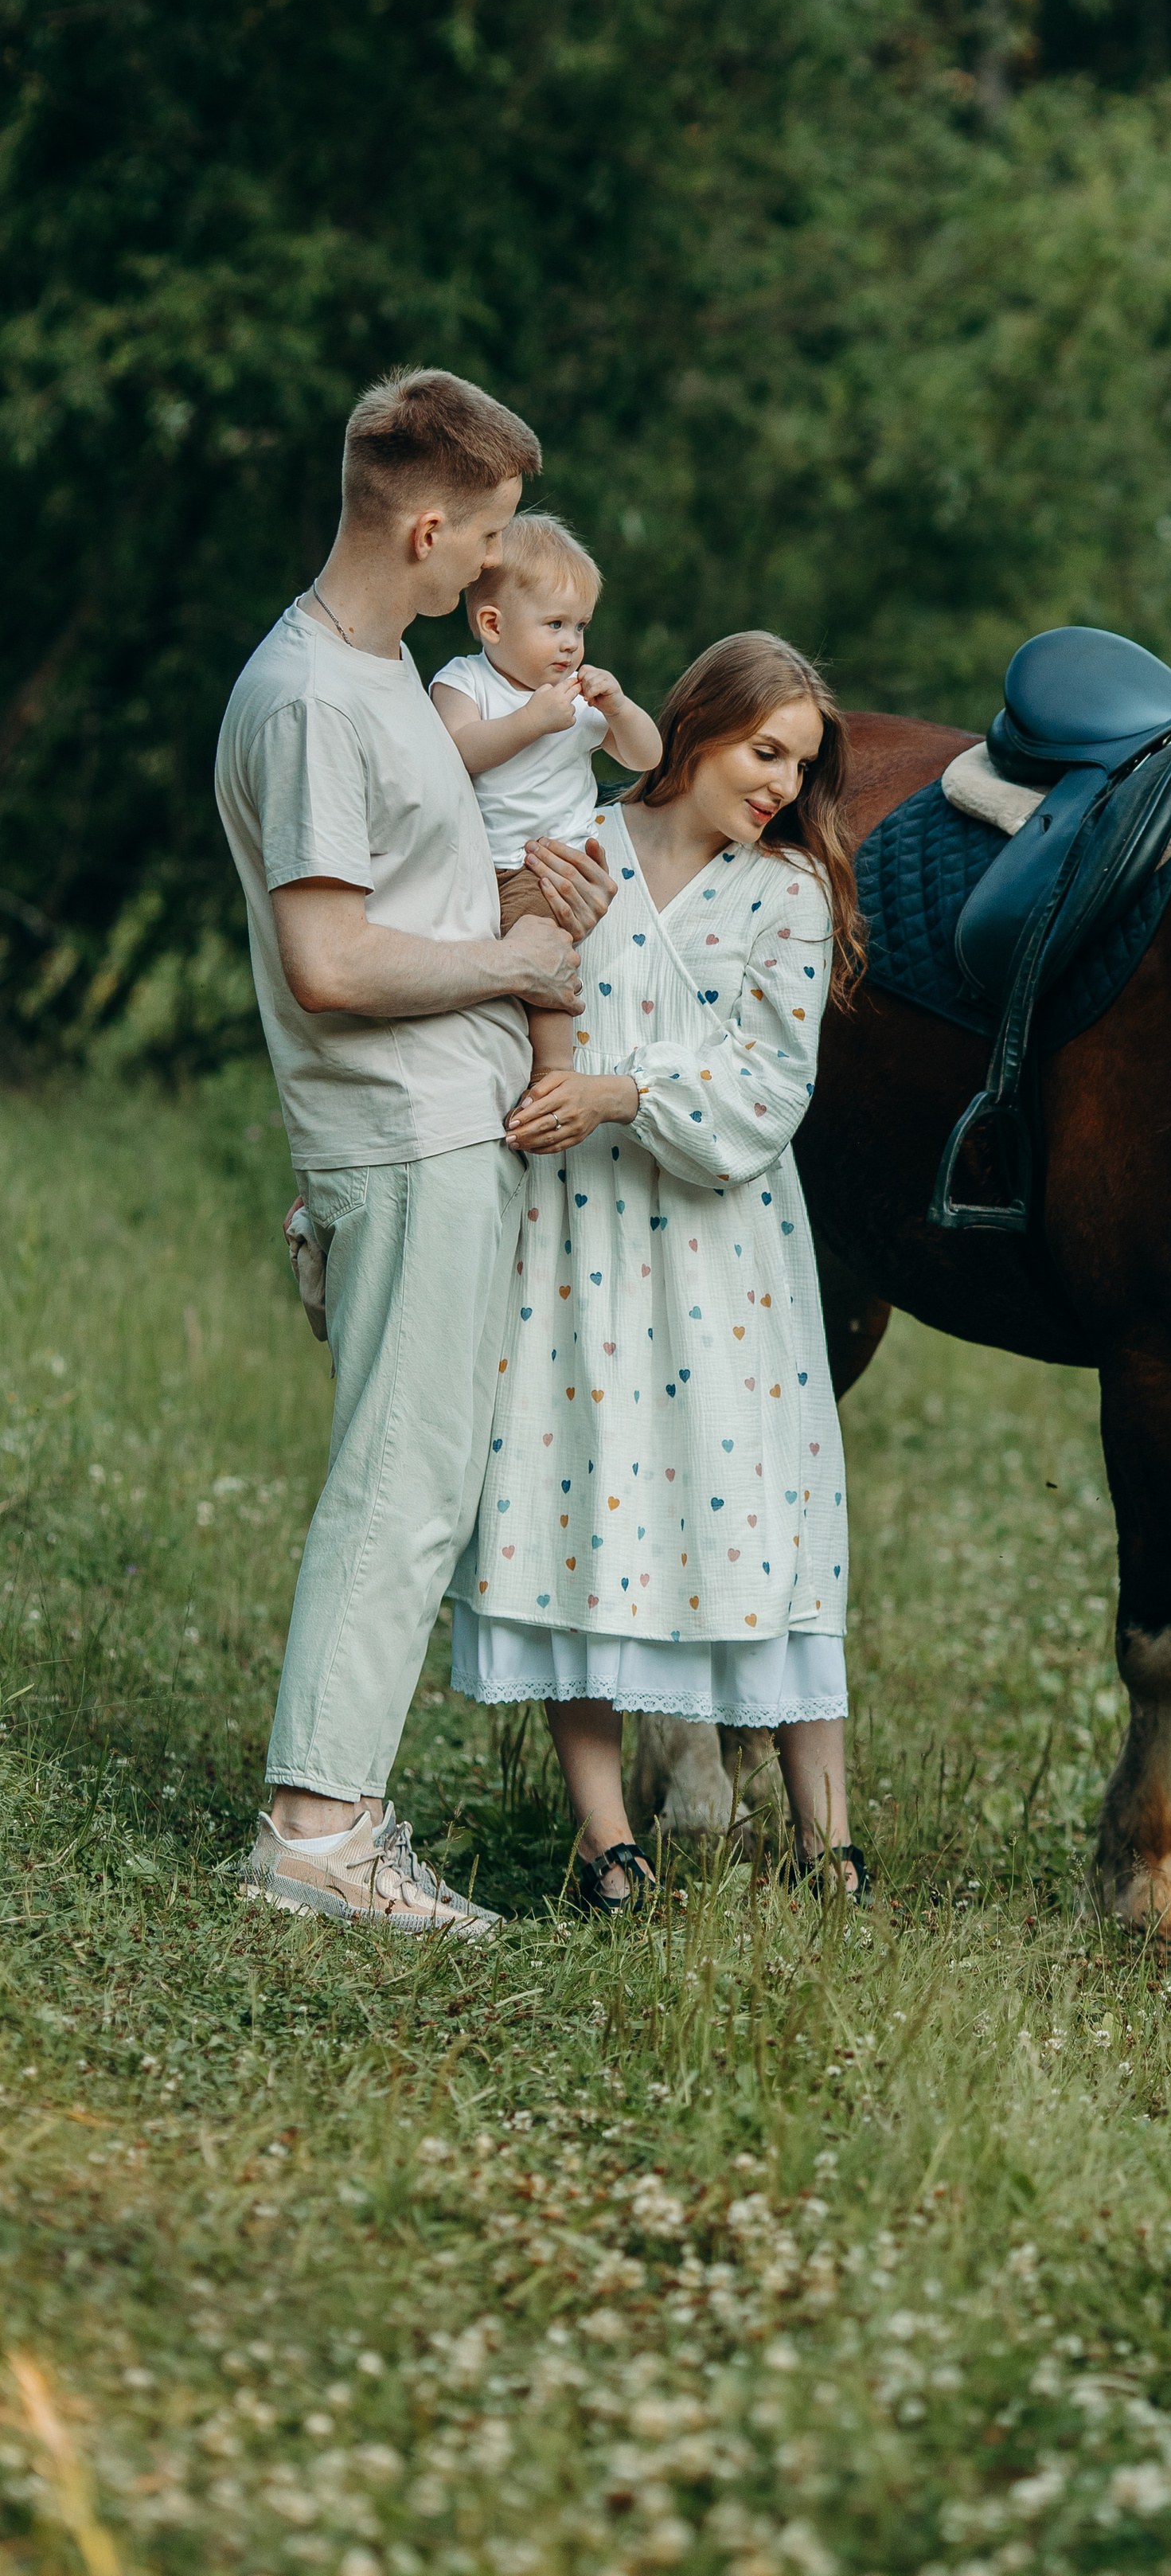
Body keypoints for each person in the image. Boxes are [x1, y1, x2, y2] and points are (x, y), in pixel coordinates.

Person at [214, 365, 617, 1938]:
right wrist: (515, 965)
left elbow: (411, 907)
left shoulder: (382, 678)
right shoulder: (315, 700)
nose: (502, 563)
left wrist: (527, 910)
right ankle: (318, 1838)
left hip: (446, 1121)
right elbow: (327, 962)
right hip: (404, 1134)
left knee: (424, 1473)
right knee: (400, 1476)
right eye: (494, 534)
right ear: (430, 528)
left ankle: (334, 1823)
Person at [443, 632, 868, 1910]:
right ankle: (606, 1840)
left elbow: (769, 1086)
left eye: (801, 767)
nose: (783, 786)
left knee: (761, 1511)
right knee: (576, 1494)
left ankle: (829, 1841)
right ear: (695, 728)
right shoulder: (572, 843)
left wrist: (618, 1090)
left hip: (726, 1246)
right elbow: (498, 999)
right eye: (765, 752)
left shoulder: (789, 894)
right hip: (572, 1234)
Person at [428, 512, 662, 1086]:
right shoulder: (464, 682)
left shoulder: (575, 700)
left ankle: (553, 1070)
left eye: (580, 627)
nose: (571, 644)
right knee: (497, 972)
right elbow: (457, 752)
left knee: (541, 941)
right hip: (480, 865)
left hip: (551, 866)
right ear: (492, 624)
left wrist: (618, 708)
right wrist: (531, 722)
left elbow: (646, 756)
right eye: (555, 624)